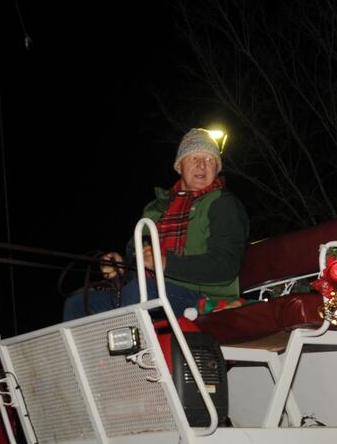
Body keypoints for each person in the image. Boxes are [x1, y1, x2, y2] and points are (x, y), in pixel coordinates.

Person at [62, 128, 248, 320]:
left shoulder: (223, 204)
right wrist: (122, 268)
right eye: (194, 158)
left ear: (216, 169)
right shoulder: (155, 209)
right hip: (147, 291)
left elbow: (226, 266)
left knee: (140, 293)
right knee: (78, 303)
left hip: (201, 296)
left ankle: (134, 349)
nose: (202, 165)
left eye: (210, 160)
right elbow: (136, 263)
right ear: (179, 166)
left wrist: (166, 263)